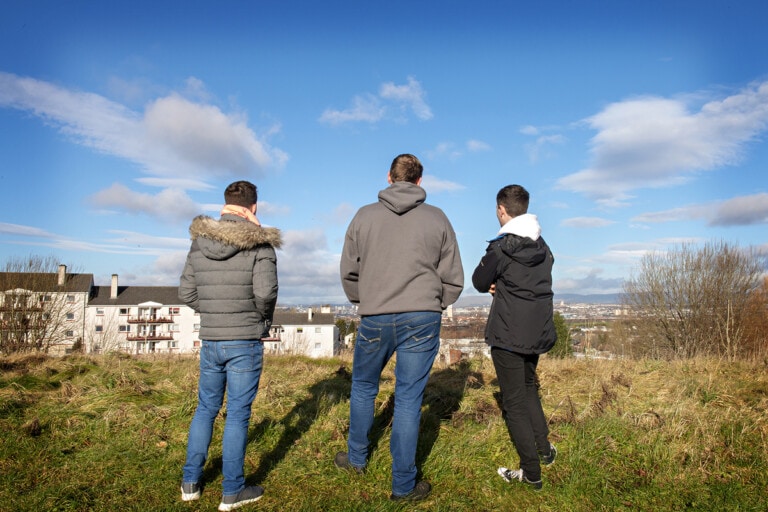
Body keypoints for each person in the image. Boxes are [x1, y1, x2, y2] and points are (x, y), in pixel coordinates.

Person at [335, 153, 464, 501]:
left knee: (364, 386)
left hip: (376, 314)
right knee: (408, 399)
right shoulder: (438, 219)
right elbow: (454, 277)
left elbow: (349, 270)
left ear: (389, 177)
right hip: (422, 316)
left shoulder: (364, 216)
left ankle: (357, 459)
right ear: (420, 182)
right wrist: (435, 304)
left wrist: (365, 299)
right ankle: (403, 485)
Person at [179, 180, 281, 511]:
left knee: (205, 408)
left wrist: (213, 311)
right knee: (237, 413)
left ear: (225, 205)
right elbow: (265, 294)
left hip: (211, 338)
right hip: (245, 340)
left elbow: (186, 293)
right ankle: (232, 491)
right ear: (254, 207)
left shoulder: (199, 243)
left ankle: (190, 483)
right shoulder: (262, 245)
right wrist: (261, 321)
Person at [471, 184, 557, 491]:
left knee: (515, 403)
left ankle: (531, 473)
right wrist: (503, 283)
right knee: (529, 388)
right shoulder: (542, 244)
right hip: (536, 330)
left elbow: (479, 281)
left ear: (501, 210)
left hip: (508, 333)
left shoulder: (503, 246)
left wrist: (496, 282)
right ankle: (545, 451)